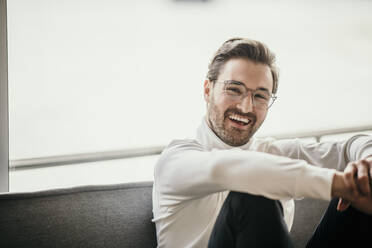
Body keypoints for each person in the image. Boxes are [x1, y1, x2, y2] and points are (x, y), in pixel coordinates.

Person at [152, 38, 372, 248]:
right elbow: (230, 169)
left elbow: (349, 148)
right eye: (234, 89)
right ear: (208, 90)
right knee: (252, 195)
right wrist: (340, 185)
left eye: (260, 96)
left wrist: (367, 166)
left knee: (366, 183)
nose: (246, 107)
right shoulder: (176, 160)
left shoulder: (271, 152)